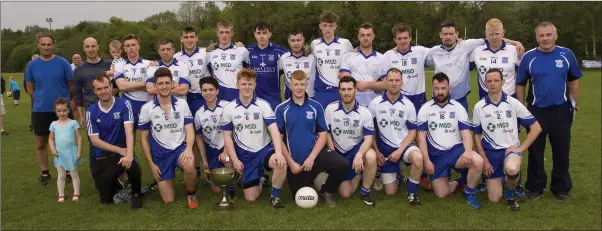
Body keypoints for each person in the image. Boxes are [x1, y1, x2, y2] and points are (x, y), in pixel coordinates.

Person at [516, 22, 582, 201]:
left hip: (561, 111)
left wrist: (573, 103)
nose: (545, 39)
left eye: (548, 35)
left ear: (555, 35)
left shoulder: (567, 54)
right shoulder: (529, 57)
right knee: (535, 151)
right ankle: (535, 187)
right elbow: (520, 83)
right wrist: (521, 108)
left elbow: (574, 81)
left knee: (561, 150)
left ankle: (560, 188)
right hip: (536, 111)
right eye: (541, 35)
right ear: (536, 37)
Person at [275, 70, 349, 208]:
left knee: (342, 164)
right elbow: (278, 140)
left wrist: (312, 158)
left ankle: (326, 191)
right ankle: (317, 179)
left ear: (306, 84)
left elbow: (323, 134)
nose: (299, 88)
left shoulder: (316, 106)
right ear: (290, 85)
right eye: (296, 84)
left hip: (315, 157)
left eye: (302, 84)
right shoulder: (281, 109)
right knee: (298, 193)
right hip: (295, 163)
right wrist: (290, 163)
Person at [472, 68, 542, 211]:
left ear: (503, 82)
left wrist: (519, 149)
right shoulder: (479, 106)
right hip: (491, 154)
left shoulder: (513, 103)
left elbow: (536, 127)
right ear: (485, 83)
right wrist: (484, 159)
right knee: (494, 198)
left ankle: (510, 192)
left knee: (511, 168)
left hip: (510, 151)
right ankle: (509, 180)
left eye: (496, 80)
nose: (492, 84)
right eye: (489, 81)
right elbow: (477, 136)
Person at [469, 18, 525, 194]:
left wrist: (520, 104)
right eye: (491, 34)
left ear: (504, 33)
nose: (494, 37)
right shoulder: (477, 52)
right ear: (486, 35)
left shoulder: (513, 50)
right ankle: (487, 176)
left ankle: (515, 179)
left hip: (509, 105)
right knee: (487, 139)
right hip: (486, 105)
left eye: (498, 33)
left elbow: (522, 79)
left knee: (512, 140)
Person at [220, 69, 287, 208]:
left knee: (281, 162)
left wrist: (279, 153)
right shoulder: (229, 108)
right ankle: (261, 179)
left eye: (250, 84)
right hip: (244, 155)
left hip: (263, 150)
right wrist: (235, 160)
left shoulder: (263, 105)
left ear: (255, 85)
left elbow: (274, 130)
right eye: (244, 84)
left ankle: (274, 197)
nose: (247, 87)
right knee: (251, 198)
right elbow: (227, 136)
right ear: (237, 84)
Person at [416, 73, 484, 209]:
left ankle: (469, 192)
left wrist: (469, 151)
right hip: (436, 157)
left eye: (443, 88)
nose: (440, 92)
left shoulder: (458, 108)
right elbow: (421, 138)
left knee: (478, 161)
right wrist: (427, 160)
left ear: (449, 89)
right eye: (436, 88)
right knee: (442, 194)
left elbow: (466, 134)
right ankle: (460, 182)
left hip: (456, 152)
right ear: (432, 89)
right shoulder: (425, 109)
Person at [426, 20, 524, 112]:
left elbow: (491, 38)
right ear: (440, 35)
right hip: (438, 98)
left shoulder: (467, 45)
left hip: (460, 100)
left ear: (456, 34)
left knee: (462, 129)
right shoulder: (432, 52)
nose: (448, 37)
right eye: (445, 34)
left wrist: (515, 42)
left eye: (451, 34)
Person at [138, 67, 198, 208]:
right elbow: (143, 139)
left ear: (172, 84)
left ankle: (191, 192)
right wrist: (151, 164)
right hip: (160, 155)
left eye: (167, 83)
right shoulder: (147, 108)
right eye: (160, 83)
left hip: (179, 149)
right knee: (168, 200)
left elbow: (189, 129)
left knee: (189, 165)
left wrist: (189, 149)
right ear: (155, 85)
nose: (164, 86)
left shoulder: (182, 104)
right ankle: (165, 180)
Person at [86, 73, 143, 209]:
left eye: (106, 87)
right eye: (99, 89)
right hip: (102, 157)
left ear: (111, 87)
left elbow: (129, 131)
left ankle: (136, 193)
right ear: (94, 91)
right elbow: (95, 141)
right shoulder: (91, 111)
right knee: (106, 199)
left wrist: (128, 154)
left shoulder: (124, 103)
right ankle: (117, 183)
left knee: (133, 164)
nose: (103, 91)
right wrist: (121, 150)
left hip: (121, 155)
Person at [368, 68, 424, 206]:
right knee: (390, 191)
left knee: (418, 158)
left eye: (397, 80)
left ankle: (411, 194)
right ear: (386, 82)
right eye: (391, 80)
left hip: (403, 147)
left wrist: (400, 151)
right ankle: (399, 176)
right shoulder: (375, 104)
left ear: (402, 83)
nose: (394, 83)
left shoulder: (408, 105)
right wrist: (376, 151)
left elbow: (412, 132)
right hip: (385, 150)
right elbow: (371, 131)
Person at [25, 32, 74, 186]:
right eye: (43, 44)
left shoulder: (63, 63)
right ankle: (45, 172)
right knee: (41, 143)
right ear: (39, 46)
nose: (46, 47)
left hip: (62, 111)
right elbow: (30, 88)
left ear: (54, 45)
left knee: (65, 142)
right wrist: (40, 101)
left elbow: (71, 87)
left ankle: (67, 170)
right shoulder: (32, 65)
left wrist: (64, 103)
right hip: (40, 111)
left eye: (49, 44)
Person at [323, 76, 377, 206]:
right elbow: (327, 134)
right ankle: (360, 174)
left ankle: (365, 192)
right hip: (339, 152)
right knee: (345, 194)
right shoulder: (330, 109)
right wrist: (333, 154)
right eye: (343, 89)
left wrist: (359, 155)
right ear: (339, 91)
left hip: (355, 152)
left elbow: (368, 139)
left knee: (371, 156)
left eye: (349, 89)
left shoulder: (365, 112)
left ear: (355, 90)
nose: (346, 92)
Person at [193, 77, 234, 195]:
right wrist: (203, 159)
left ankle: (231, 189)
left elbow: (232, 131)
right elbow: (199, 137)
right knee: (216, 189)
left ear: (217, 91)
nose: (208, 93)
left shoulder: (227, 107)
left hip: (228, 148)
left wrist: (226, 151)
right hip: (212, 151)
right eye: (205, 90)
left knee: (227, 160)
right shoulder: (199, 114)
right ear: (201, 92)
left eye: (211, 89)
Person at [382, 23, 430, 113]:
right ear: (394, 40)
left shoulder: (421, 51)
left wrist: (456, 41)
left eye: (405, 38)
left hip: (418, 97)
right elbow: (384, 80)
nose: (403, 41)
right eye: (399, 38)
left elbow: (440, 51)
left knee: (418, 126)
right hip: (397, 98)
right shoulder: (388, 55)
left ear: (410, 38)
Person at [311, 12, 354, 107]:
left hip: (339, 90)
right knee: (321, 121)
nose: (327, 29)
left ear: (335, 26)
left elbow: (354, 60)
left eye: (331, 25)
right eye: (325, 25)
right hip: (320, 91)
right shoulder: (315, 44)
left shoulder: (345, 43)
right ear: (320, 26)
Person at [339, 23, 386, 106]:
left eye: (368, 35)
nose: (365, 38)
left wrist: (366, 85)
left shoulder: (382, 58)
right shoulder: (348, 56)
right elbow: (345, 80)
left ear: (373, 36)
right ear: (358, 36)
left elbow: (386, 84)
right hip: (353, 104)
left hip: (375, 105)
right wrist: (375, 84)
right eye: (362, 35)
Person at [245, 21, 288, 110]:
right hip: (254, 101)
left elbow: (295, 57)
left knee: (274, 124)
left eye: (264, 33)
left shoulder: (279, 51)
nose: (261, 36)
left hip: (274, 101)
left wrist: (306, 51)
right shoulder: (247, 51)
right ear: (254, 35)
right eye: (258, 33)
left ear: (269, 34)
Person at [114, 34, 152, 133]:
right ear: (124, 49)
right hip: (128, 106)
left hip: (147, 104)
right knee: (129, 138)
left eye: (133, 45)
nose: (131, 48)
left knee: (148, 138)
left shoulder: (149, 64)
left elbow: (151, 87)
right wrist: (144, 83)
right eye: (128, 46)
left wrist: (129, 85)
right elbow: (122, 86)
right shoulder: (119, 65)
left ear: (138, 46)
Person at [48, 98, 83, 202]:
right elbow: (51, 139)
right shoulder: (53, 124)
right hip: (59, 154)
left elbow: (79, 137)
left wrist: (79, 151)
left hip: (71, 152)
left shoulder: (73, 123)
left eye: (64, 110)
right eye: (59, 111)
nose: (62, 113)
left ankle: (76, 193)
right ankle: (61, 195)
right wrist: (53, 150)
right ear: (55, 111)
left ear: (69, 110)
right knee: (61, 175)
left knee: (74, 174)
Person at [74, 37, 113, 128]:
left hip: (111, 109)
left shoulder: (110, 65)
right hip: (91, 110)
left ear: (98, 47)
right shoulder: (79, 70)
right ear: (84, 49)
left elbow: (117, 86)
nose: (90, 49)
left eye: (93, 46)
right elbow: (78, 95)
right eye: (87, 47)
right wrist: (81, 116)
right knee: (94, 141)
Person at [207, 20, 249, 101]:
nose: (224, 35)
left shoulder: (242, 51)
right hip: (217, 98)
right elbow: (209, 73)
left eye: (227, 32)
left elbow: (248, 72)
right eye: (221, 32)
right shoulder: (210, 53)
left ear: (232, 33)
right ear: (217, 33)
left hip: (237, 97)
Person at [174, 25, 210, 115]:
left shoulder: (206, 53)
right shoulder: (175, 57)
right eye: (186, 37)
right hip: (183, 98)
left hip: (202, 97)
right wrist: (152, 64)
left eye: (192, 37)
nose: (189, 40)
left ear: (196, 38)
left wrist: (238, 46)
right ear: (181, 39)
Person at [279, 28, 316, 100]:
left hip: (310, 99)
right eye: (293, 40)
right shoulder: (283, 58)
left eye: (298, 40)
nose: (296, 43)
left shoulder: (312, 57)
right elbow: (277, 76)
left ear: (303, 40)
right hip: (290, 99)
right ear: (288, 41)